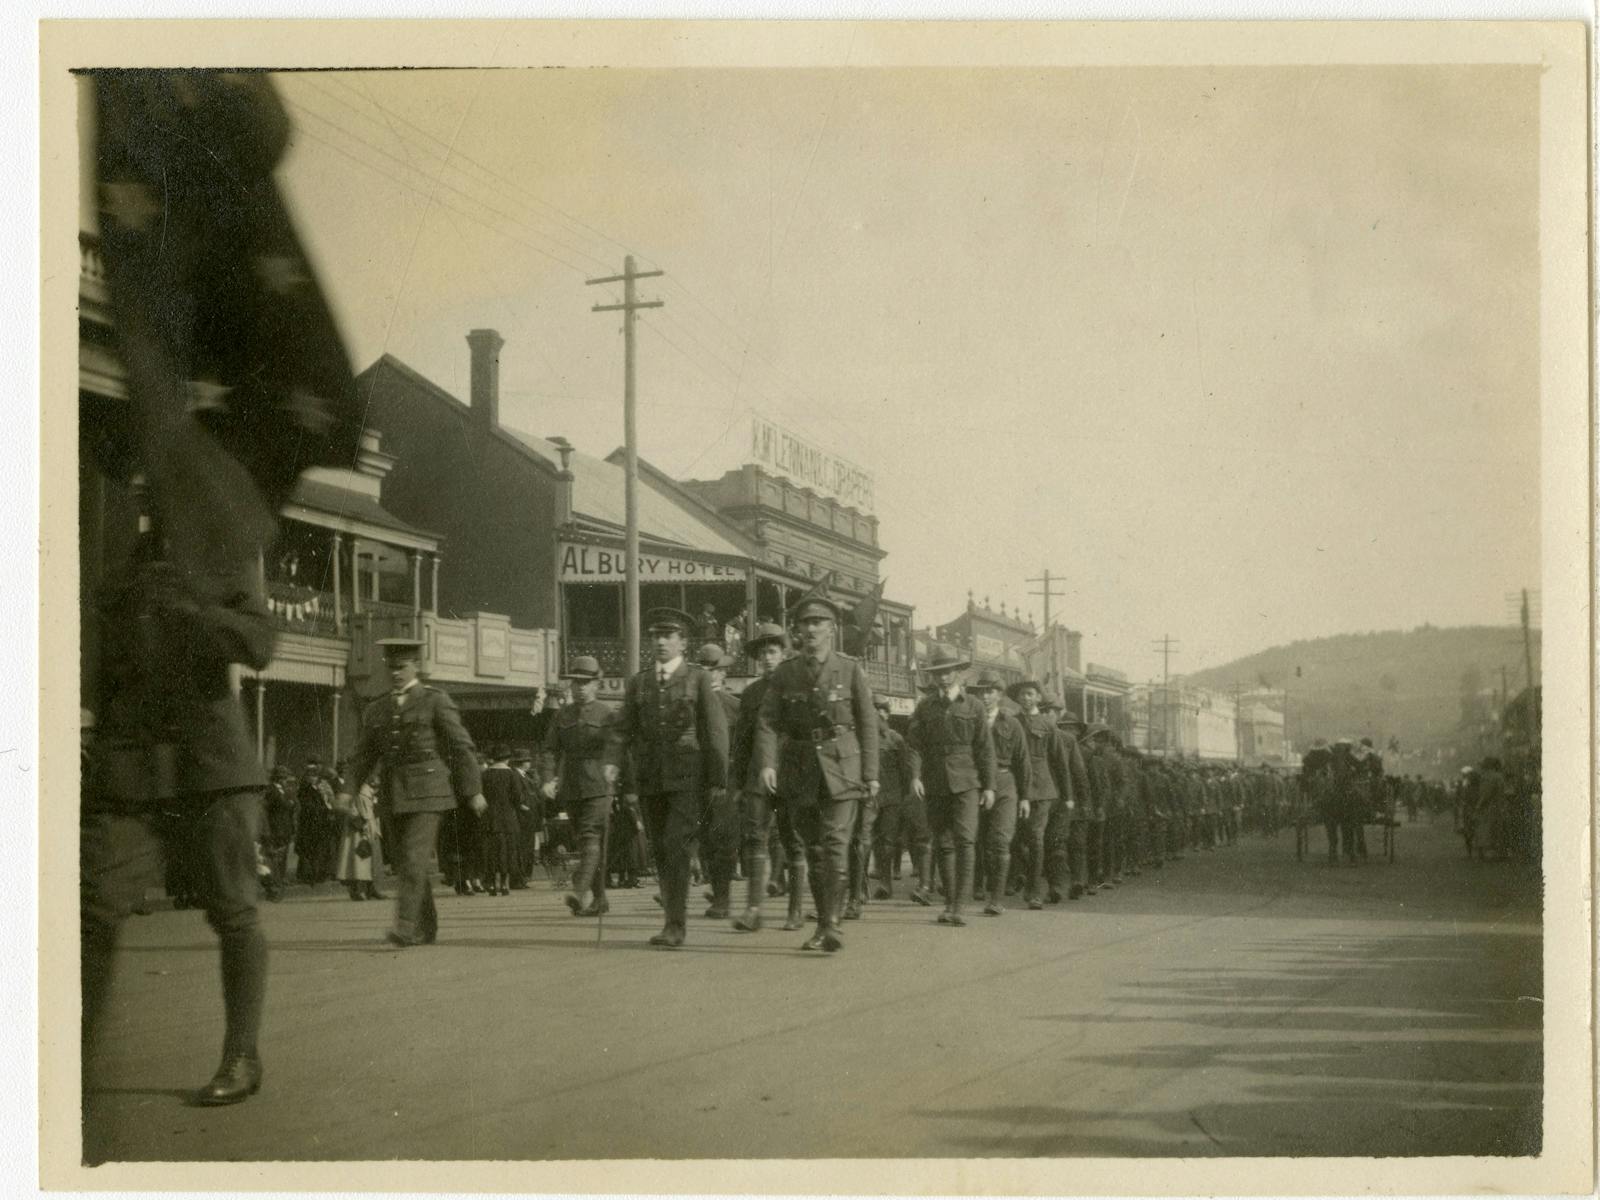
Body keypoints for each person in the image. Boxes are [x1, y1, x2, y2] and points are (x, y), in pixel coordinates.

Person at [339, 638, 486, 946]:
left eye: (402, 667)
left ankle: (405, 926)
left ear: (416, 666)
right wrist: (348, 790)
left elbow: (461, 747)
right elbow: (363, 755)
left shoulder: (435, 700)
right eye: (391, 667)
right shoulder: (377, 708)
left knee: (413, 857)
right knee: (408, 863)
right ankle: (426, 926)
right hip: (393, 794)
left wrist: (472, 789)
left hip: (430, 793)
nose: (395, 673)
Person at [756, 593, 879, 952]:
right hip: (800, 769)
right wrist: (768, 763)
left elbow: (867, 724)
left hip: (843, 769)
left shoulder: (850, 669)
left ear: (832, 629)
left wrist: (871, 774)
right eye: (806, 623)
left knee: (836, 844)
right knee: (813, 850)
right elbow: (767, 721)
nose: (811, 629)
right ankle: (824, 923)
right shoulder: (786, 672)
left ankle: (831, 925)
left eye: (819, 623)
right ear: (797, 630)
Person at [618, 608, 730, 948]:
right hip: (651, 780)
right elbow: (624, 732)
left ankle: (675, 926)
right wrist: (619, 773)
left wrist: (718, 780)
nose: (661, 641)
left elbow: (714, 732)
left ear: (683, 642)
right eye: (656, 635)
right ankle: (671, 920)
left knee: (676, 845)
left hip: (688, 779)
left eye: (669, 635)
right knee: (661, 851)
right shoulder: (639, 683)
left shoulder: (697, 679)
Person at [905, 645, 995, 927]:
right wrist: (916, 776)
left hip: (967, 782)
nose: (943, 678)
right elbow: (915, 745)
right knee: (943, 842)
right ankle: (948, 903)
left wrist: (989, 786)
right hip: (935, 782)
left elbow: (985, 749)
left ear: (957, 673)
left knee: (965, 840)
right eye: (937, 673)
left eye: (947, 672)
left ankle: (959, 906)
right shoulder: (925, 706)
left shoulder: (974, 706)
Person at [730, 622, 801, 931]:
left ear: (784, 653)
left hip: (792, 775)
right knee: (754, 838)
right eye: (762, 654)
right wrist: (735, 782)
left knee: (793, 840)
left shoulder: (798, 687)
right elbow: (742, 741)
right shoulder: (751, 694)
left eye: (772, 652)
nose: (767, 659)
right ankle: (753, 909)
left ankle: (795, 910)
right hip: (758, 776)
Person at [539, 657, 621, 916]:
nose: (580, 688)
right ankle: (600, 900)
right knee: (584, 841)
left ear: (596, 684)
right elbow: (550, 750)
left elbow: (617, 747)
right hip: (571, 787)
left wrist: (617, 775)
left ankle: (580, 890)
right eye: (576, 682)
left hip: (599, 784)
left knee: (589, 836)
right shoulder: (562, 715)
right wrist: (547, 779)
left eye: (585, 683)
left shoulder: (607, 714)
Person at [969, 671, 1030, 916]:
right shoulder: (970, 720)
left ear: (1000, 695)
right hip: (976, 783)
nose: (985, 696)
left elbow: (1023, 762)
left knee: (1000, 842)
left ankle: (996, 898)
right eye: (981, 691)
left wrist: (1024, 796)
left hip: (1005, 784)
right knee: (974, 839)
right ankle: (975, 885)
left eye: (991, 691)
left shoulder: (1012, 723)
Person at [1009, 681, 1072, 910]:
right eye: (1021, 694)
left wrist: (1067, 794)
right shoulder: (1010, 722)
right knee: (1014, 838)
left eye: (1029, 694)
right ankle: (1021, 876)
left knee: (1036, 838)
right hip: (1014, 786)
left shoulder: (1047, 725)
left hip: (1040, 788)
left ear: (1037, 698)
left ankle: (1034, 890)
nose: (1025, 698)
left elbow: (1059, 761)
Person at [695, 643, 743, 919]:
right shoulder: (689, 705)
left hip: (726, 780)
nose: (710, 674)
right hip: (696, 778)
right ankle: (716, 890)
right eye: (704, 669)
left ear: (723, 673)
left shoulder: (734, 706)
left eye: (714, 669)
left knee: (723, 838)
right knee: (703, 839)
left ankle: (722, 898)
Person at [869, 697, 914, 902]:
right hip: (868, 796)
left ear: (888, 715)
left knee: (887, 841)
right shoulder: (863, 738)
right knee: (864, 841)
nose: (879, 714)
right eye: (875, 709)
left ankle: (885, 884)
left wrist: (904, 797)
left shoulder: (896, 739)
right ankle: (860, 888)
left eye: (883, 710)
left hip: (892, 796)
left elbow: (905, 770)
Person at [478, 745, 528, 896]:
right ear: (507, 759)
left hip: (489, 818)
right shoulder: (512, 775)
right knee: (507, 851)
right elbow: (517, 797)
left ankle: (492, 884)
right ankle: (505, 884)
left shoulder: (485, 774)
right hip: (508, 818)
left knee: (491, 852)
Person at [333, 775, 384, 901]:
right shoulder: (361, 792)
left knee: (370, 859)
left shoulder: (370, 792)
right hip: (358, 828)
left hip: (369, 826)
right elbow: (347, 808)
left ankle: (371, 888)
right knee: (360, 859)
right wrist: (361, 823)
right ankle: (358, 890)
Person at [259, 765, 297, 902]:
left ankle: (279, 882)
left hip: (284, 828)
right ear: (277, 778)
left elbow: (290, 808)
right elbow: (266, 810)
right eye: (282, 777)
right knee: (275, 858)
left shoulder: (284, 791)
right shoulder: (272, 791)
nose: (285, 780)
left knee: (282, 857)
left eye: (285, 777)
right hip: (276, 828)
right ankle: (275, 885)